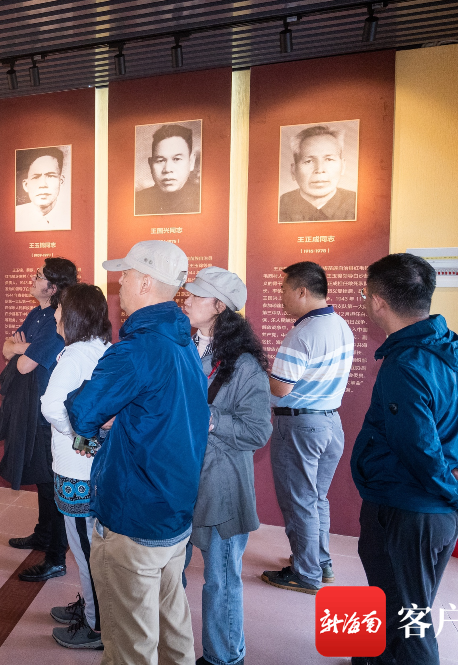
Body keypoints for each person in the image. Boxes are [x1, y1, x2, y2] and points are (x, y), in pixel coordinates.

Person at [352, 253, 458, 665]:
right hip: (432, 509)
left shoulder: (405, 363)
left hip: (408, 510)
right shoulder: (451, 349)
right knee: (398, 604)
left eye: (365, 295)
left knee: (410, 619)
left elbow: (418, 448)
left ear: (378, 301)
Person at [67, 240, 209, 665]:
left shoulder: (137, 349)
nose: (120, 283)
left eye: (125, 275)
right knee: (173, 632)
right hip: (173, 514)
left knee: (130, 646)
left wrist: (104, 417)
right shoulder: (184, 344)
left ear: (146, 282)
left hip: (134, 516)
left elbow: (83, 410)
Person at [180, 267, 272, 666]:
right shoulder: (183, 348)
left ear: (220, 306)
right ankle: (172, 646)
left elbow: (258, 430)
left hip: (221, 485)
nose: (186, 300)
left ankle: (224, 657)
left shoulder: (244, 365)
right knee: (170, 572)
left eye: (197, 295)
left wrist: (212, 419)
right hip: (180, 479)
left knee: (220, 579)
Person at [262, 261, 353, 594]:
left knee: (299, 500)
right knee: (316, 499)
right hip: (330, 423)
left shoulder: (302, 333)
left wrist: (256, 374)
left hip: (300, 425)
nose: (280, 296)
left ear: (302, 291)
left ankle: (305, 573)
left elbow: (281, 387)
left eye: (283, 290)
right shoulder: (340, 325)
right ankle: (320, 563)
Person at [0, 257, 77, 582]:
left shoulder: (58, 321)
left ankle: (55, 557)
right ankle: (43, 535)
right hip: (32, 409)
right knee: (43, 481)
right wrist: (21, 347)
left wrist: (20, 348)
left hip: (49, 415)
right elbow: (6, 349)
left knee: (51, 484)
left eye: (39, 275)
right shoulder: (36, 314)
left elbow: (24, 364)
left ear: (53, 287)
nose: (32, 277)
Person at [39, 283, 112, 650]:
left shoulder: (74, 356)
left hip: (76, 469)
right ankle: (91, 607)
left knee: (85, 550)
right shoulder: (106, 350)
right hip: (98, 466)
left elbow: (51, 406)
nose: (55, 315)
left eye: (60, 309)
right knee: (93, 545)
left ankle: (96, 626)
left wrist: (77, 435)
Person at [278, 125, 356, 222]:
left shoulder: (358, 203)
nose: (319, 169)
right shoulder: (279, 206)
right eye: (309, 161)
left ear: (343, 166)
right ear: (293, 171)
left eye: (329, 159)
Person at [135, 124, 201, 215]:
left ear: (191, 162)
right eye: (160, 160)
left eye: (177, 159)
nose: (167, 169)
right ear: (150, 164)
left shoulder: (204, 198)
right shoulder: (136, 201)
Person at [15, 147, 70, 231]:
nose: (43, 184)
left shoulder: (71, 216)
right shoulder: (15, 216)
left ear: (61, 181)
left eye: (51, 176)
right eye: (36, 177)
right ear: (26, 185)